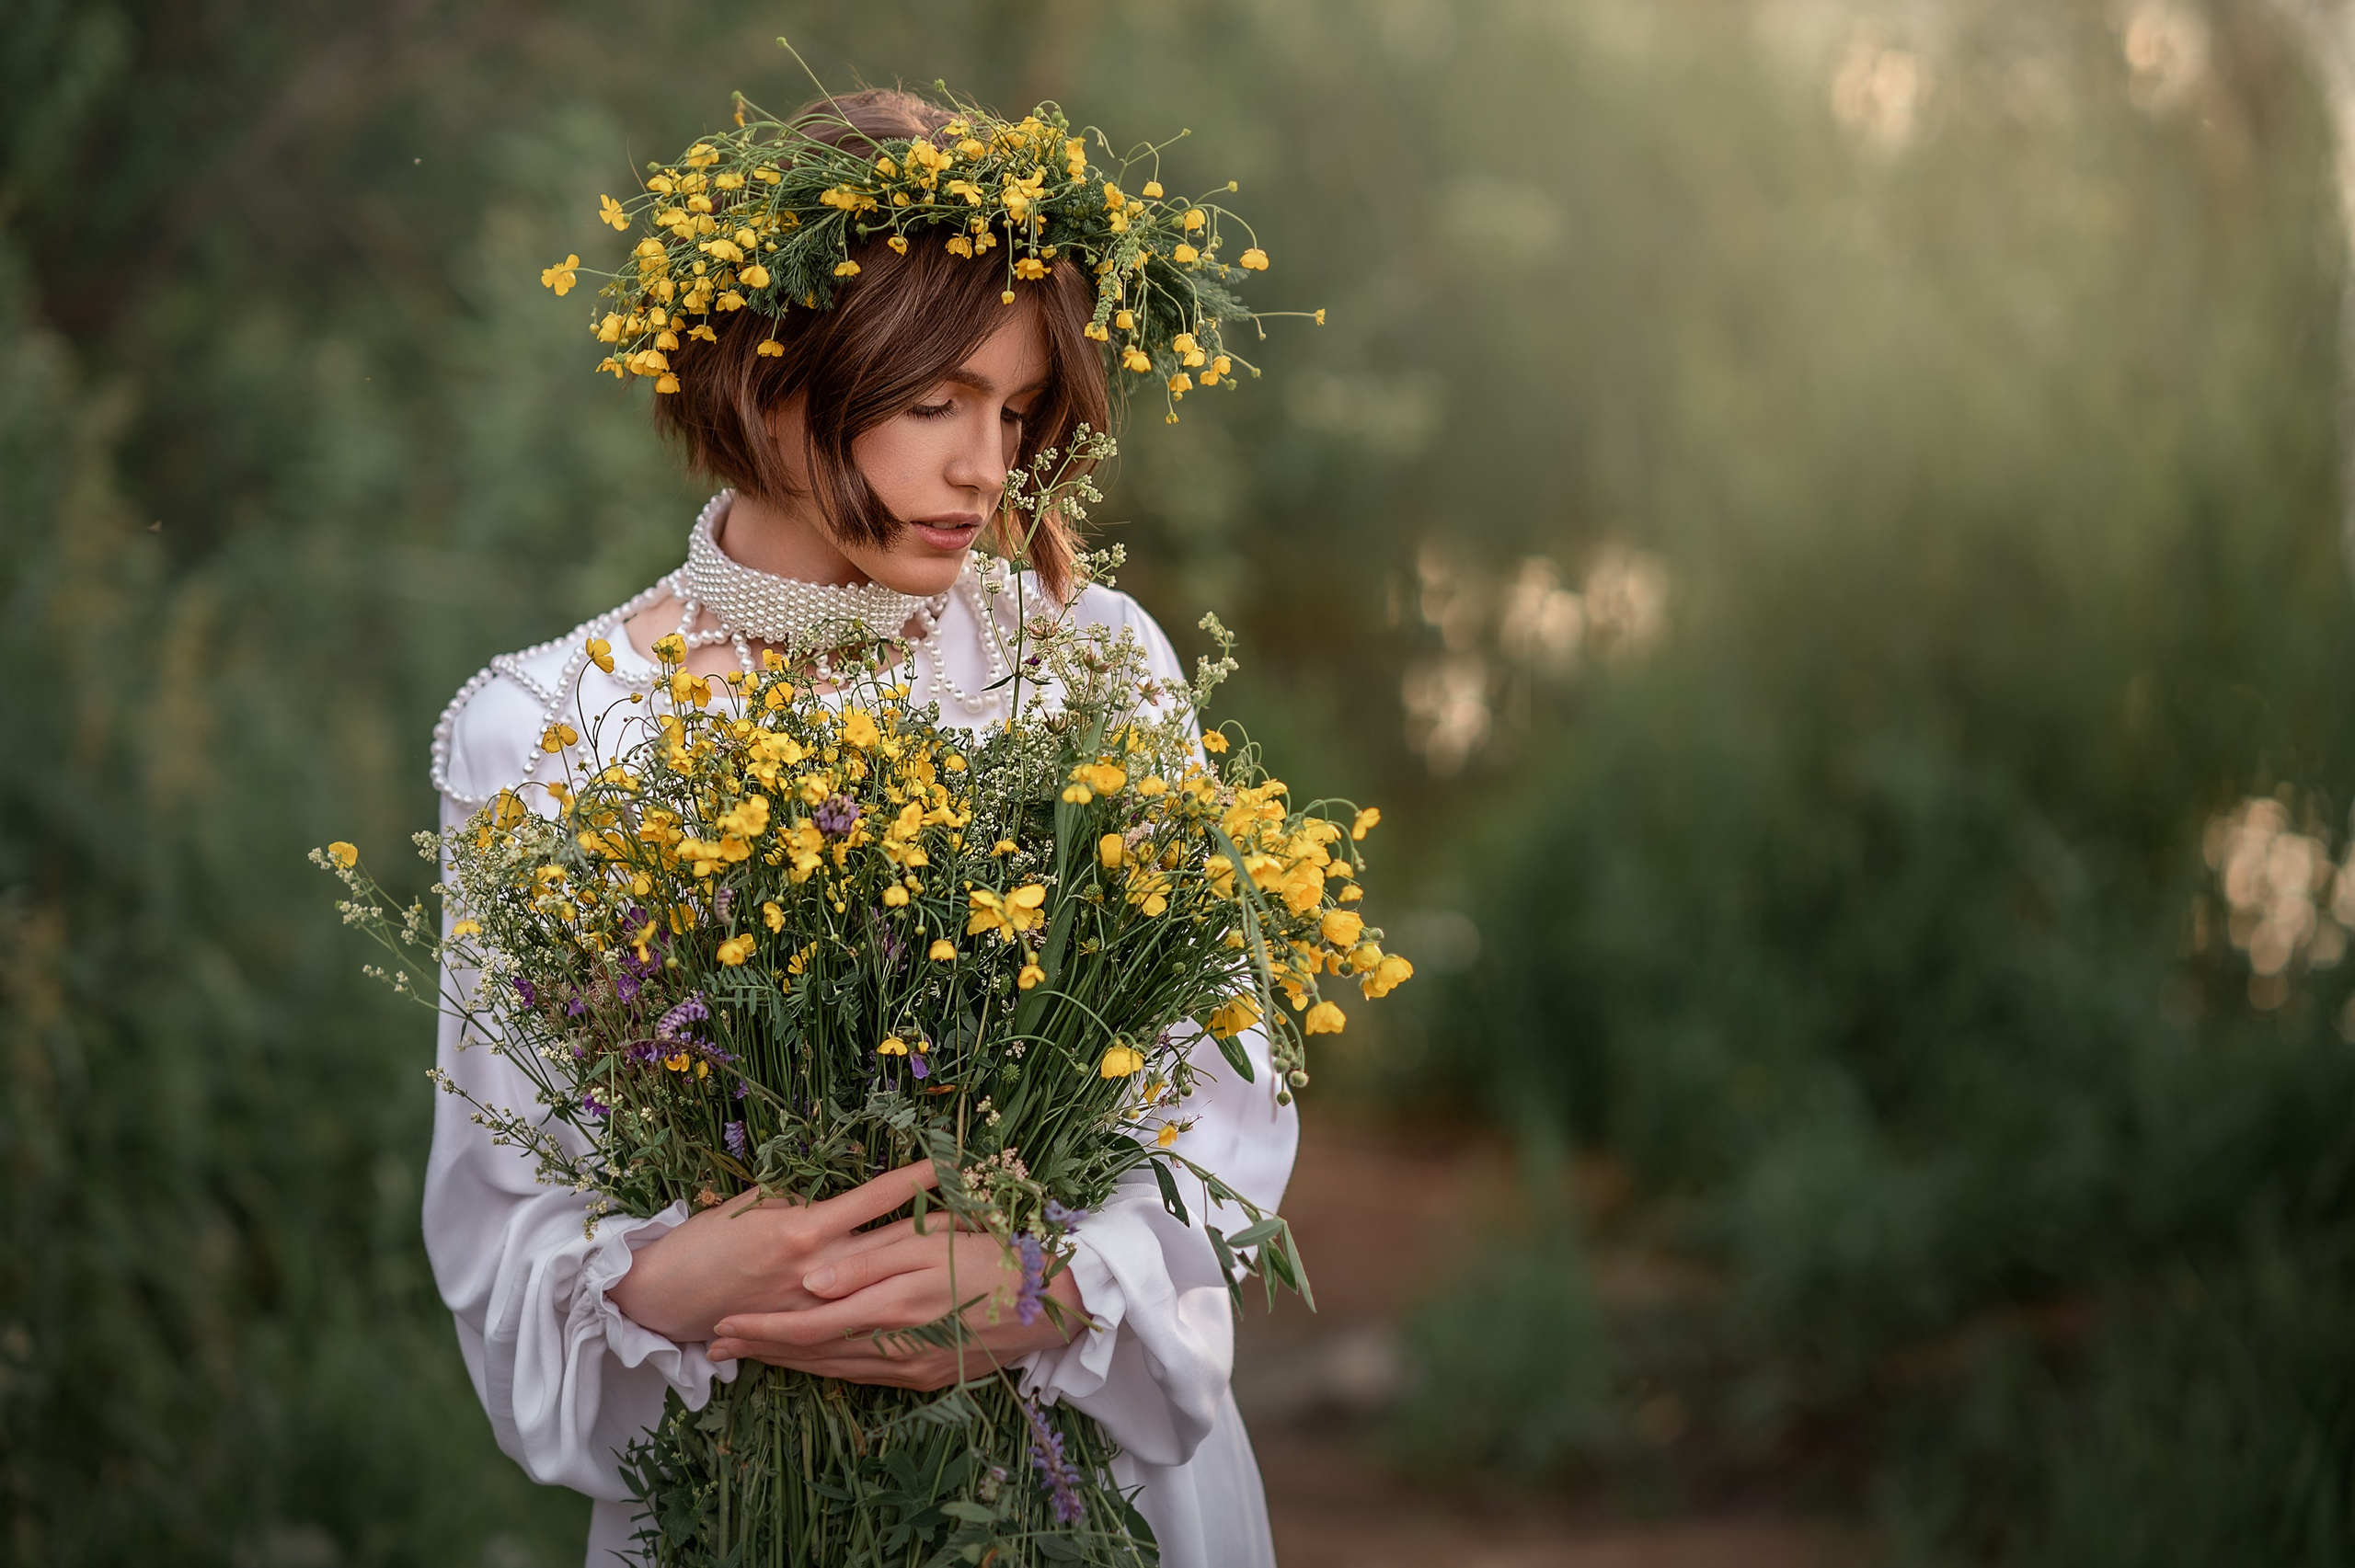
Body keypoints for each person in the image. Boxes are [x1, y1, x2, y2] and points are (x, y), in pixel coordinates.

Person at [422, 87, 1298, 1566]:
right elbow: (502, 1214)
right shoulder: (549, 730)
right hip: (734, 1501)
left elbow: (1221, 1103)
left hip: (1088, 1488)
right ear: (769, 375)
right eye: (935, 402)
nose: (987, 468)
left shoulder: (1091, 663)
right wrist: (673, 1283)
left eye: (1016, 409)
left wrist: (1054, 1287)